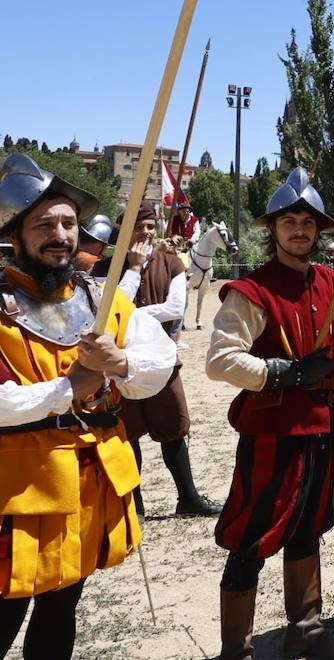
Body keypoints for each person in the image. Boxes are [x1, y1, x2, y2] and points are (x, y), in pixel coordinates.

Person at [0, 153, 177, 660]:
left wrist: (120, 363)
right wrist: (66, 389)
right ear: (17, 233)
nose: (60, 234)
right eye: (44, 224)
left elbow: (159, 363)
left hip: (87, 486)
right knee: (5, 606)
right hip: (18, 492)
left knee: (62, 607)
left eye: (68, 223)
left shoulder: (104, 300)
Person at [205, 167, 334, 660]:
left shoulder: (333, 281)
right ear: (274, 229)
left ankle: (305, 629)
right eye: (289, 221)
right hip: (273, 432)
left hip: (323, 426)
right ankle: (235, 649)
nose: (299, 230)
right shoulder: (253, 291)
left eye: (307, 222)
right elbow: (220, 361)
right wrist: (287, 372)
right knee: (252, 533)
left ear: (318, 229)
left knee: (308, 524)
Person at [95, 201, 219, 518]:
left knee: (174, 428)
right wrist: (133, 272)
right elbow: (108, 308)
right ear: (123, 231)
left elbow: (175, 309)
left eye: (151, 227)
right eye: (140, 227)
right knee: (128, 433)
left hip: (161, 360)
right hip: (119, 363)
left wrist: (131, 317)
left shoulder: (171, 263)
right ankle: (133, 507)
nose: (147, 232)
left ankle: (188, 498)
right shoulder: (104, 268)